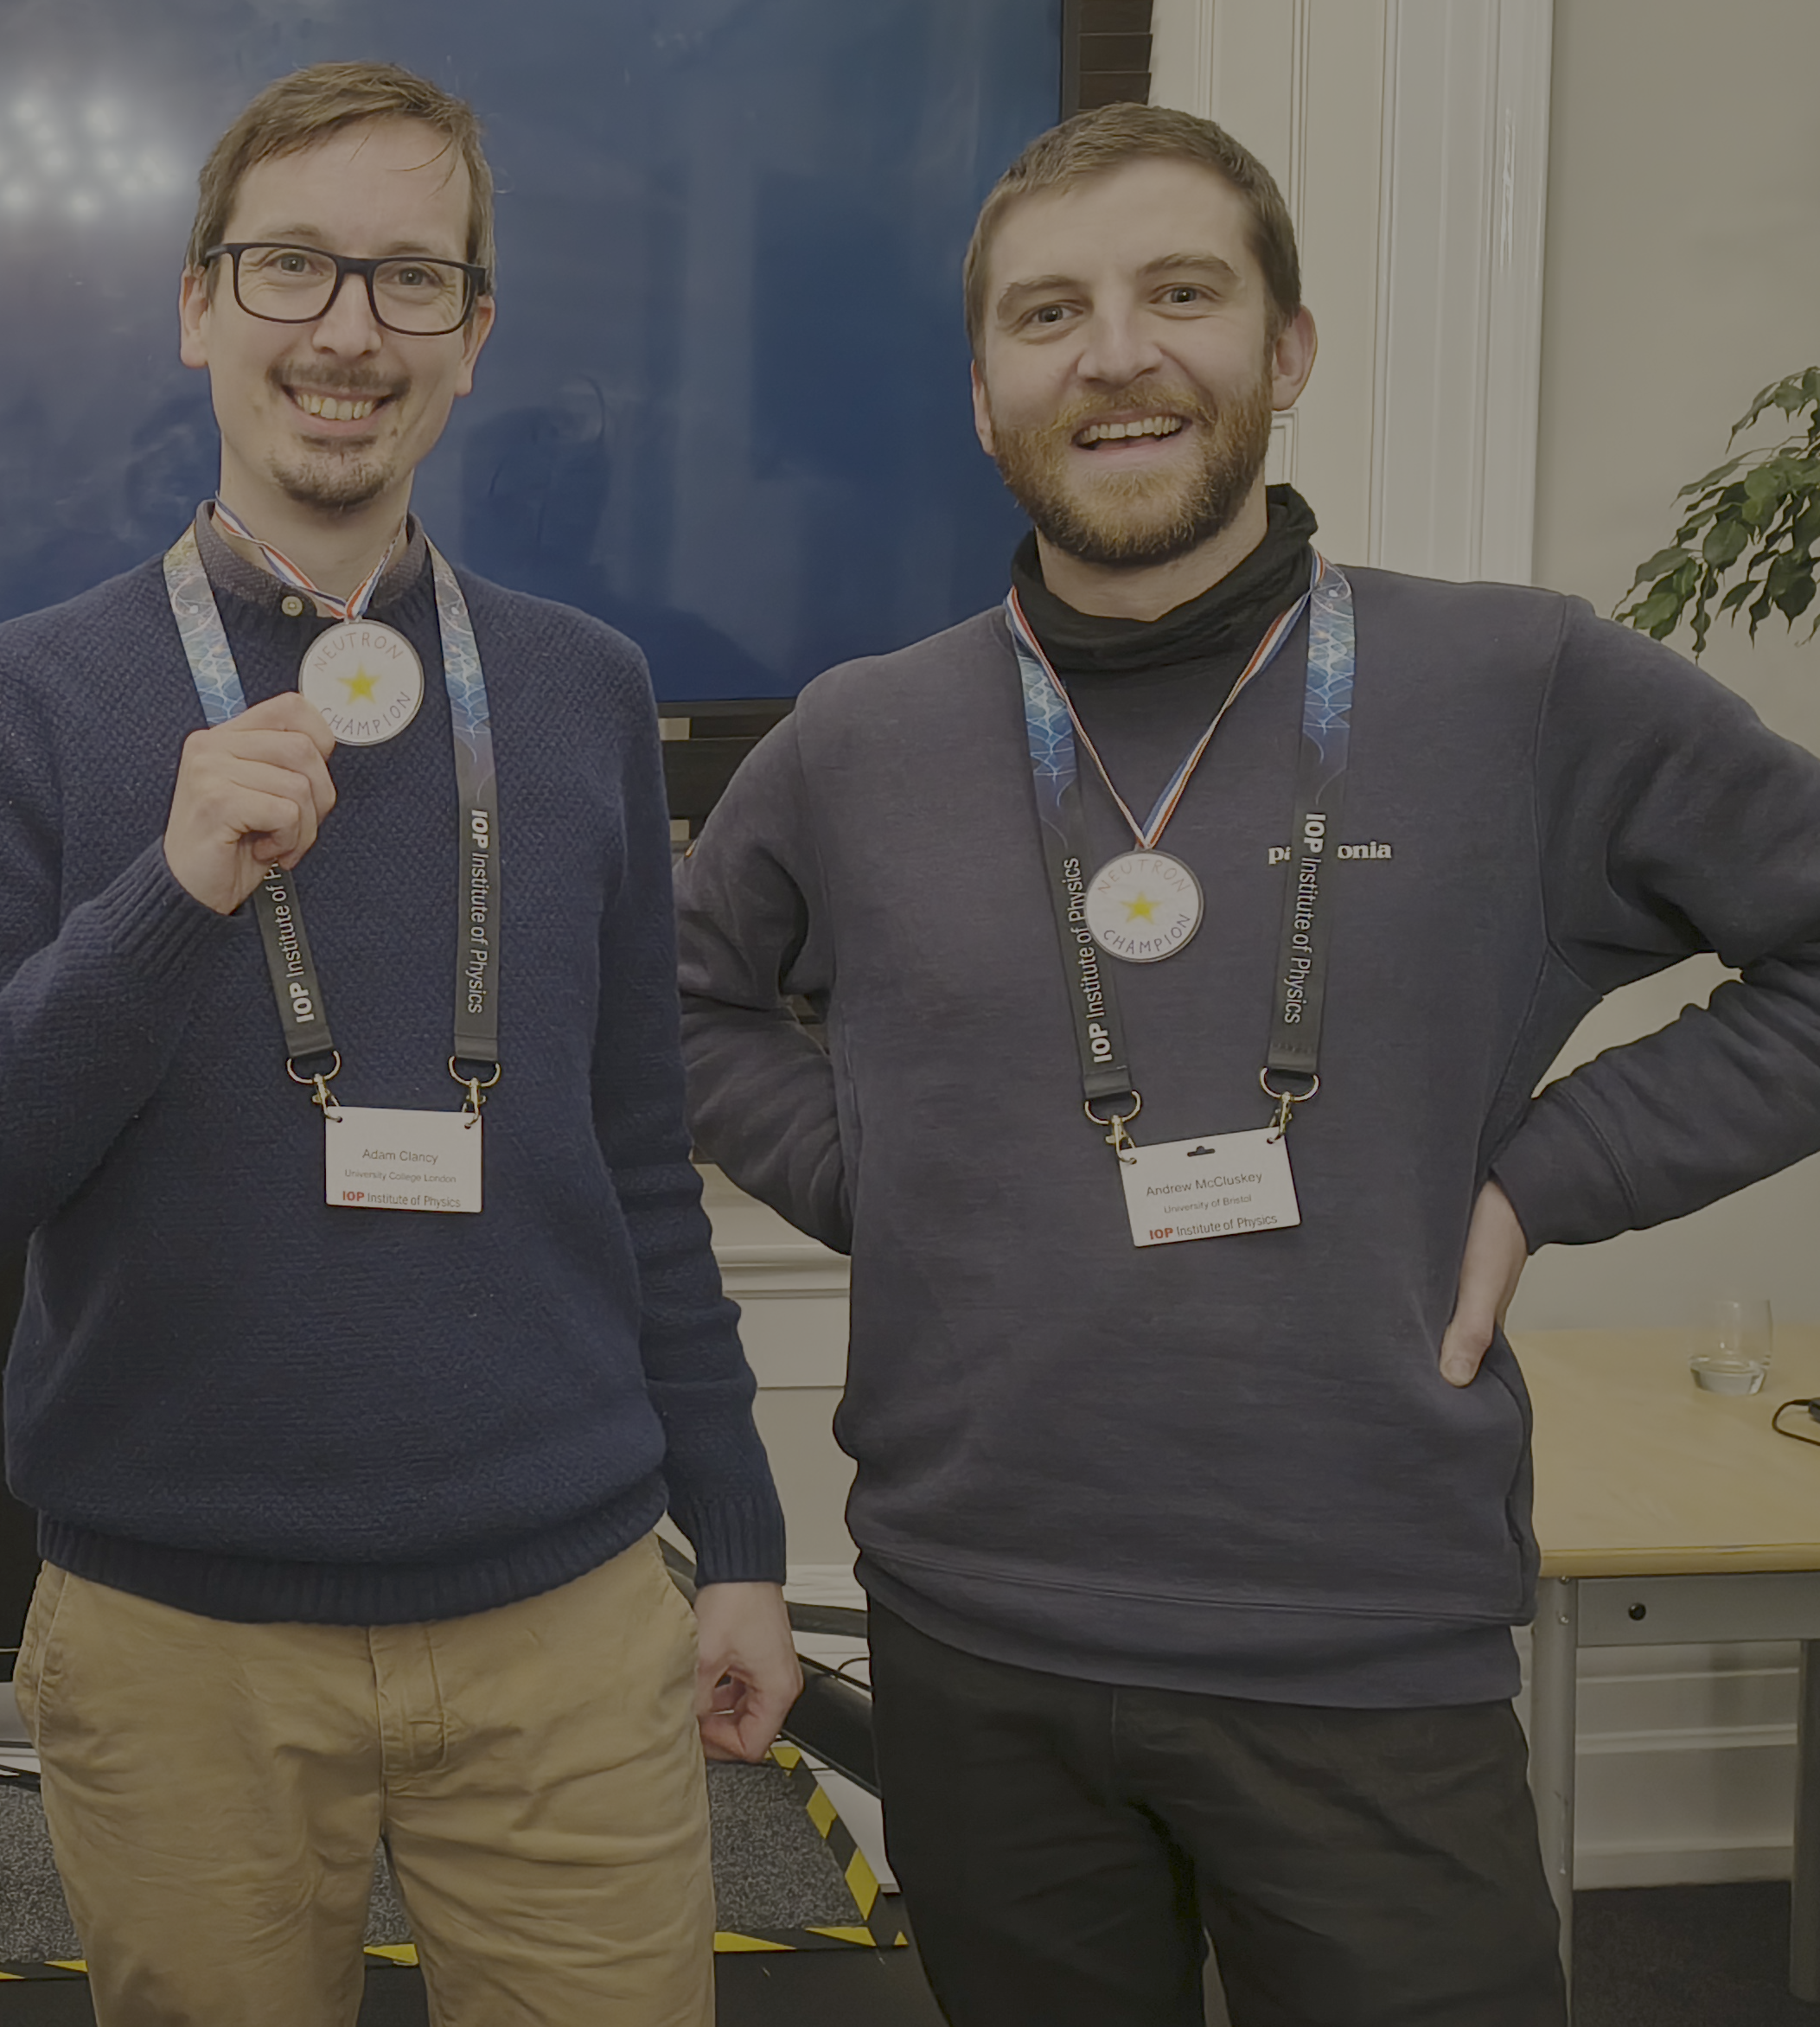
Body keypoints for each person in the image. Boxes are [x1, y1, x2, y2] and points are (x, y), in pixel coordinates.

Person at [676, 100, 1820, 2027]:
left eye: (1176, 293)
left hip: (1364, 1652)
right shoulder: (857, 740)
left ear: (1281, 351)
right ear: (982, 395)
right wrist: (892, 1173)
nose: (1112, 352)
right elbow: (677, 1004)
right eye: (1047, 313)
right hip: (974, 1644)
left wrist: (1549, 1172)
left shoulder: (1517, 685)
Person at [0, 61, 798, 2027]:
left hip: (565, 1613)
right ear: (198, 306)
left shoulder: (586, 689)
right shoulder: (23, 699)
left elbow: (635, 1157)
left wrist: (747, 1537)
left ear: (473, 336)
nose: (345, 330)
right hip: (176, 1636)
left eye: (407, 279)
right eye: (290, 268)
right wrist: (166, 889)